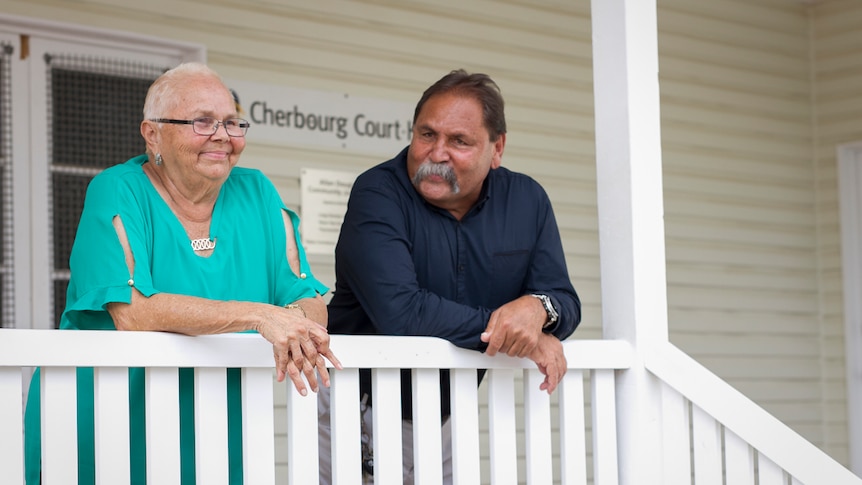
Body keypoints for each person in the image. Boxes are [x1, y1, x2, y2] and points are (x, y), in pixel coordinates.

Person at [23, 62, 341, 485]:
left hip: (213, 423)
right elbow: (133, 312)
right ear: (152, 133)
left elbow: (307, 300)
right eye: (202, 122)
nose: (222, 136)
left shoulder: (258, 192)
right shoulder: (118, 189)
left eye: (232, 122)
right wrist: (262, 316)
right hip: (106, 421)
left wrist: (294, 322)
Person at [319, 69, 581, 484]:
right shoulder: (377, 193)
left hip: (450, 411)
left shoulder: (527, 200)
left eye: (459, 141)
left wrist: (536, 309)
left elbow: (563, 301)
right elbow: (401, 313)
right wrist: (514, 331)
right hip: (360, 404)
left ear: (497, 149)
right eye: (426, 135)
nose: (436, 153)